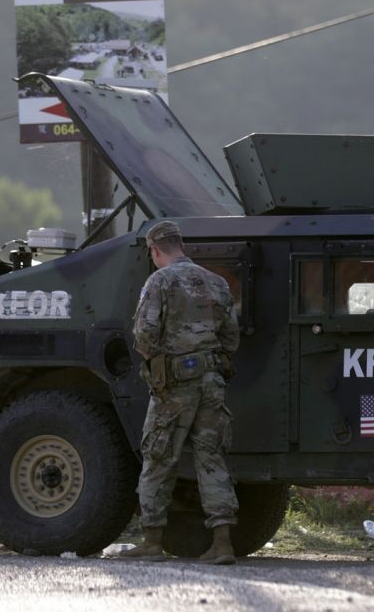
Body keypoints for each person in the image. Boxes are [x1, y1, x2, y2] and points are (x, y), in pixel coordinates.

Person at [120, 220, 241, 565]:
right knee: (212, 458)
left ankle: (152, 541)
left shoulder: (159, 281)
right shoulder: (216, 282)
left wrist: (160, 362)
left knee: (159, 457)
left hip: (174, 387)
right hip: (212, 382)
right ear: (180, 245)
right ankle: (222, 544)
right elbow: (231, 338)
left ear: (155, 250)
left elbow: (144, 335)